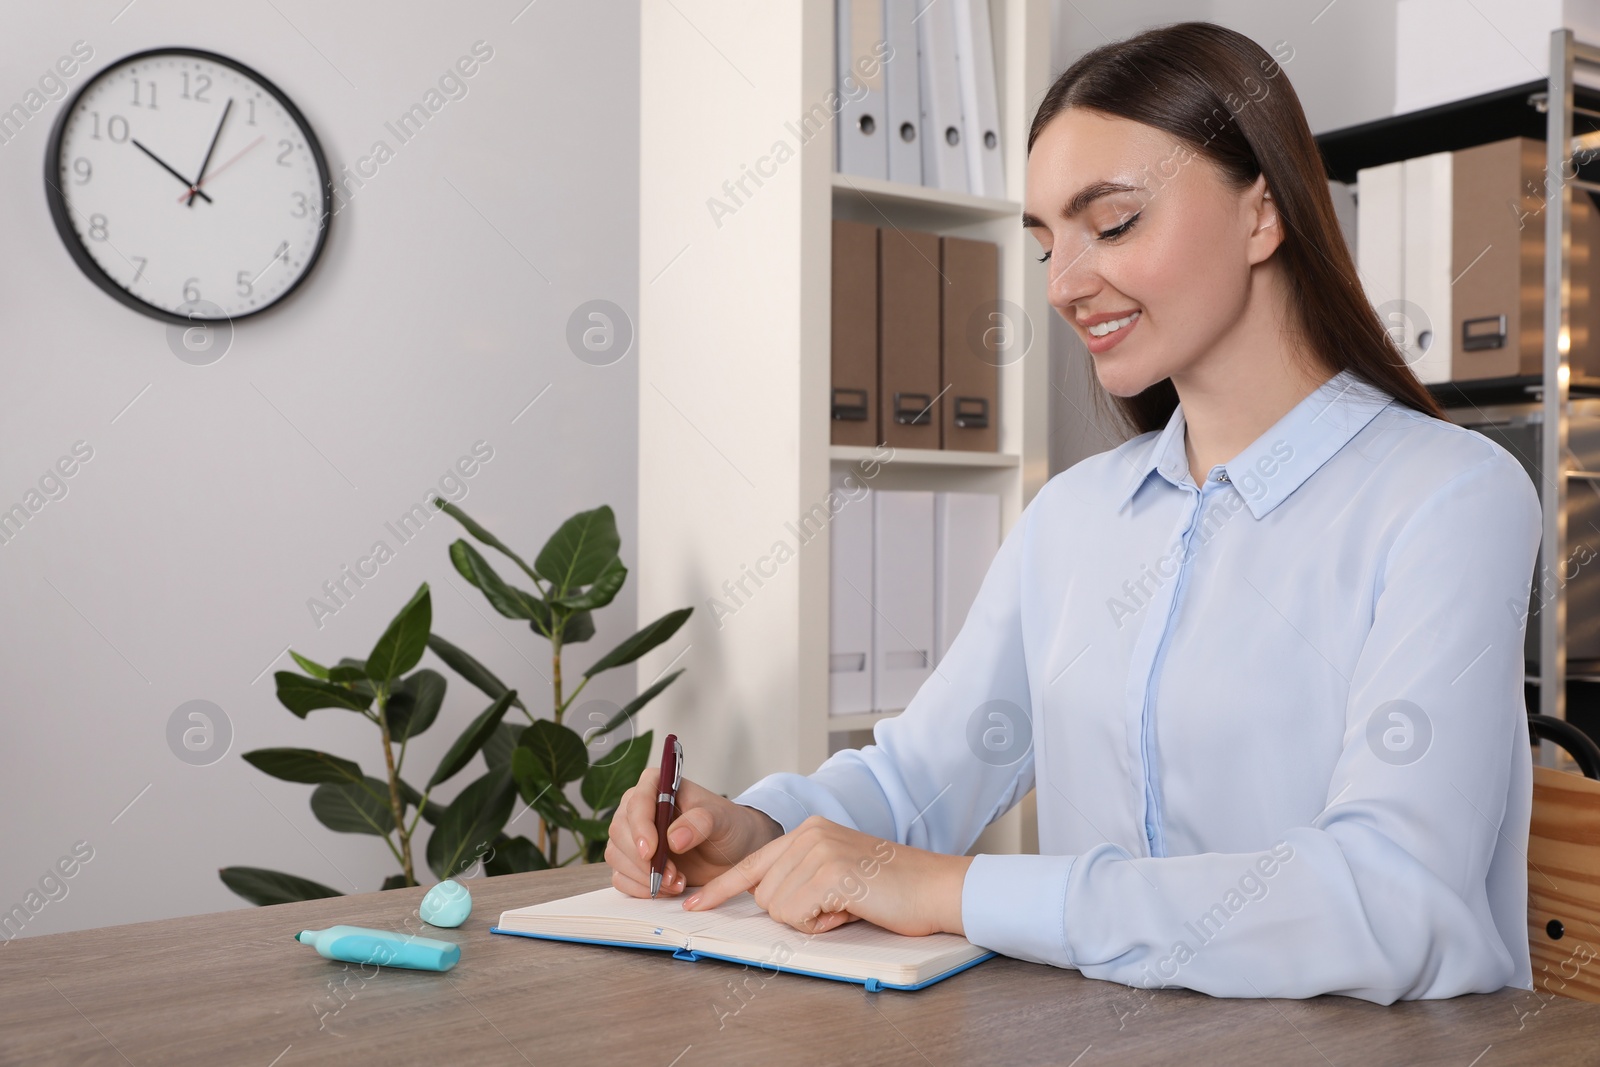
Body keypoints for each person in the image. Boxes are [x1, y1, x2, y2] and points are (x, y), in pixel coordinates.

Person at [606, 21, 1542, 1003]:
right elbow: (917, 779)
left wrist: (951, 888)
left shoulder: (1448, 495)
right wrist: (757, 832)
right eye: (1047, 241)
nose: (1061, 284)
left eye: (1114, 222)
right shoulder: (1076, 515)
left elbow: (1389, 899)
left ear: (1262, 214)